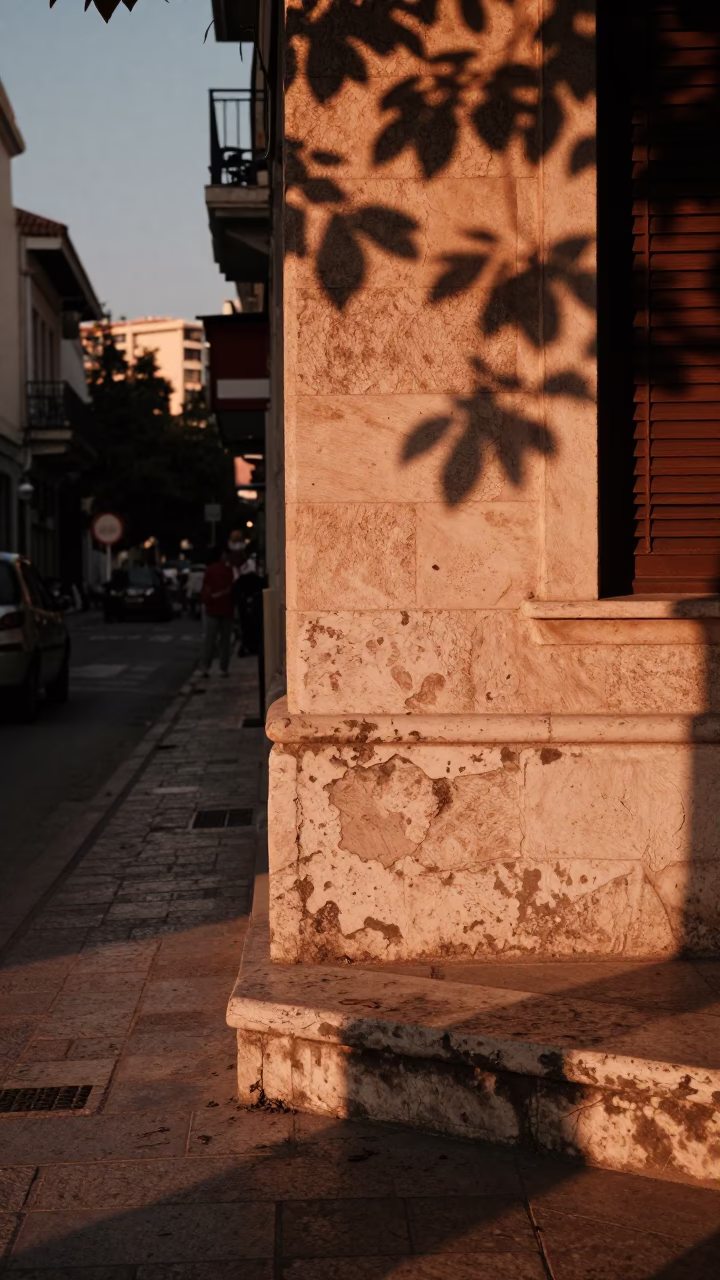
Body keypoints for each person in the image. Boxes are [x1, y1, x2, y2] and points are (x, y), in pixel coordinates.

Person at [200, 547, 234, 677]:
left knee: (210, 639)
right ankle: (223, 668)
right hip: (226, 609)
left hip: (212, 609)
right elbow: (232, 587)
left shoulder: (209, 570)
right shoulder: (227, 570)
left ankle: (205, 667)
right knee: (225, 641)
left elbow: (206, 588)